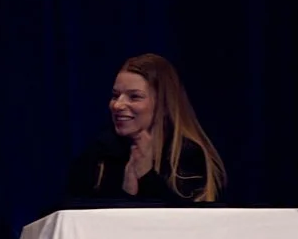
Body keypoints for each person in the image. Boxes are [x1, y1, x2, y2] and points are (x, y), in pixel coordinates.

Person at [64, 53, 227, 206]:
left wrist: (145, 175)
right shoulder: (96, 157)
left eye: (134, 96)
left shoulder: (189, 157)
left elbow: (186, 224)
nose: (117, 105)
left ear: (163, 105)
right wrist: (126, 189)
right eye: (115, 95)